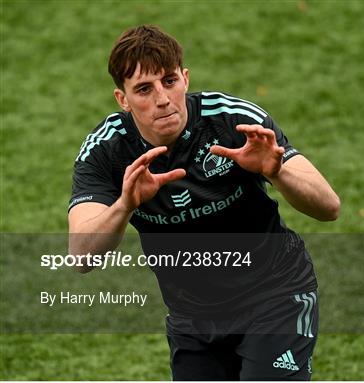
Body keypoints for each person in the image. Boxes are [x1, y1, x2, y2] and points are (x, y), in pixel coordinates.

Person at [68, 24, 340, 380]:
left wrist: (277, 172)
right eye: (144, 89)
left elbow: (329, 207)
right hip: (192, 318)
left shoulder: (232, 120)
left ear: (185, 78)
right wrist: (125, 205)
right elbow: (81, 256)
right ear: (123, 99)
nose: (162, 99)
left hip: (275, 296)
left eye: (169, 81)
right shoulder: (106, 151)